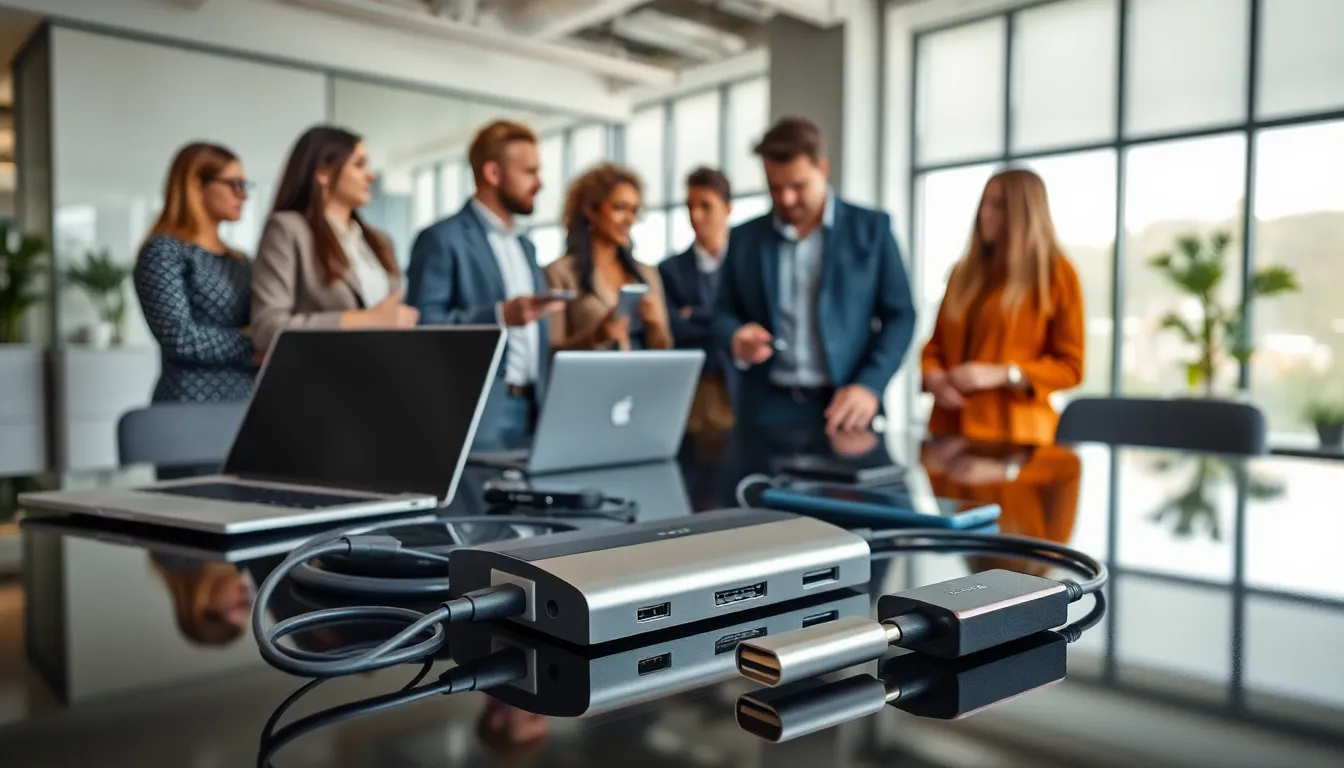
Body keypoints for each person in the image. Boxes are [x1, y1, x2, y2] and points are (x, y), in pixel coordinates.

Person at [714, 116, 916, 431]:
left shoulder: (872, 229)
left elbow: (901, 315)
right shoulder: (744, 238)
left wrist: (870, 384)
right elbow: (721, 312)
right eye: (775, 187)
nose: (786, 199)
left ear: (822, 169)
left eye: (798, 186)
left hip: (846, 406)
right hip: (766, 406)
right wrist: (736, 337)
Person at [405, 120, 563, 443]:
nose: (540, 183)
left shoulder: (526, 246)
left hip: (536, 409)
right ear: (493, 174)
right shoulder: (442, 239)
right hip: (480, 412)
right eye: (529, 172)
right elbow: (423, 328)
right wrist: (500, 316)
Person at [920, 168, 1084, 445]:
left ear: (1023, 213)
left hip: (1015, 442)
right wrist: (934, 378)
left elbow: (1071, 367)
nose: (984, 213)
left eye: (997, 205)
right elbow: (934, 346)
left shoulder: (1056, 274)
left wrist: (1001, 374)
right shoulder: (963, 273)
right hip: (948, 435)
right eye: (983, 203)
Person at [251, 125, 418, 357]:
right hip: (322, 381)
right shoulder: (288, 229)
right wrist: (365, 320)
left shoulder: (380, 241)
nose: (371, 175)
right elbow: (267, 327)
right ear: (323, 173)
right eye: (359, 165)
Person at [134, 142, 257, 405]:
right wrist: (251, 341)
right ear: (196, 186)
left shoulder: (242, 259)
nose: (243, 195)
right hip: (190, 403)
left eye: (245, 186)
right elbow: (180, 338)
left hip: (247, 402)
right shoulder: (164, 251)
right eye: (234, 184)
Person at [544, 163, 671, 352]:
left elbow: (664, 349)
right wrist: (596, 338)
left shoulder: (647, 274)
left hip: (640, 379)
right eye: (620, 208)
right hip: (590, 379)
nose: (630, 220)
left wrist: (655, 326)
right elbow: (550, 351)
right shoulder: (560, 273)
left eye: (634, 210)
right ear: (590, 210)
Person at [659, 167, 735, 433]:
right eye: (690, 206)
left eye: (706, 206)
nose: (695, 215)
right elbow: (675, 328)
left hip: (747, 388)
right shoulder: (669, 270)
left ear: (727, 209)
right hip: (697, 391)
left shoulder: (749, 260)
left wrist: (698, 314)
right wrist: (729, 325)